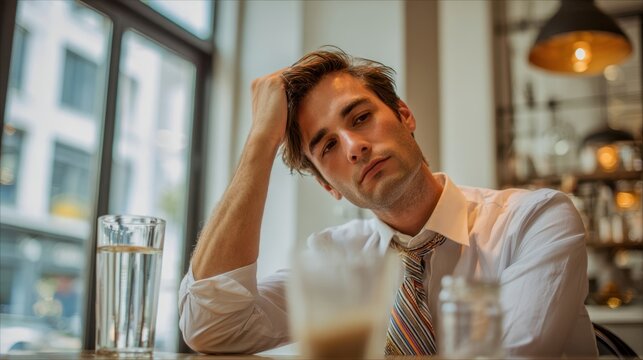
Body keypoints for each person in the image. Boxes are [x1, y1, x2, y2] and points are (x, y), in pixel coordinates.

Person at [178, 47, 598, 356]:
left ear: (405, 115)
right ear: (330, 187)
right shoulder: (335, 259)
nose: (354, 146)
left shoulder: (535, 220)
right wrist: (259, 144)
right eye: (327, 147)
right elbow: (211, 326)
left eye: (360, 117)